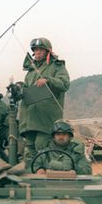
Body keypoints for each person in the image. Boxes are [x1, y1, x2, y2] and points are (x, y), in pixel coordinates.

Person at [19, 37, 70, 167]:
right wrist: (19, 88)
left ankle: (43, 174)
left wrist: (48, 80)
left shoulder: (57, 66)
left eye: (40, 50)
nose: (37, 53)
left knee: (41, 146)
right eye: (35, 50)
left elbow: (64, 84)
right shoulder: (30, 70)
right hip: (30, 117)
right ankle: (31, 174)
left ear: (47, 51)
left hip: (46, 117)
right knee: (29, 148)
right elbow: (26, 90)